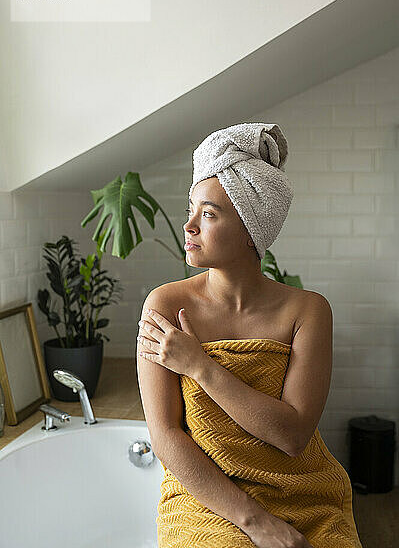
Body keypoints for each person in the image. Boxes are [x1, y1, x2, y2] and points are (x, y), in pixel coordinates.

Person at [136, 123, 363, 548]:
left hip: (302, 491)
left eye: (208, 213)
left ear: (250, 230)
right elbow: (165, 436)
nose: (188, 226)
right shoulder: (164, 306)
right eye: (191, 208)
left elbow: (293, 436)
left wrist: (199, 366)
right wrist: (256, 522)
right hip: (207, 499)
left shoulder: (308, 312)